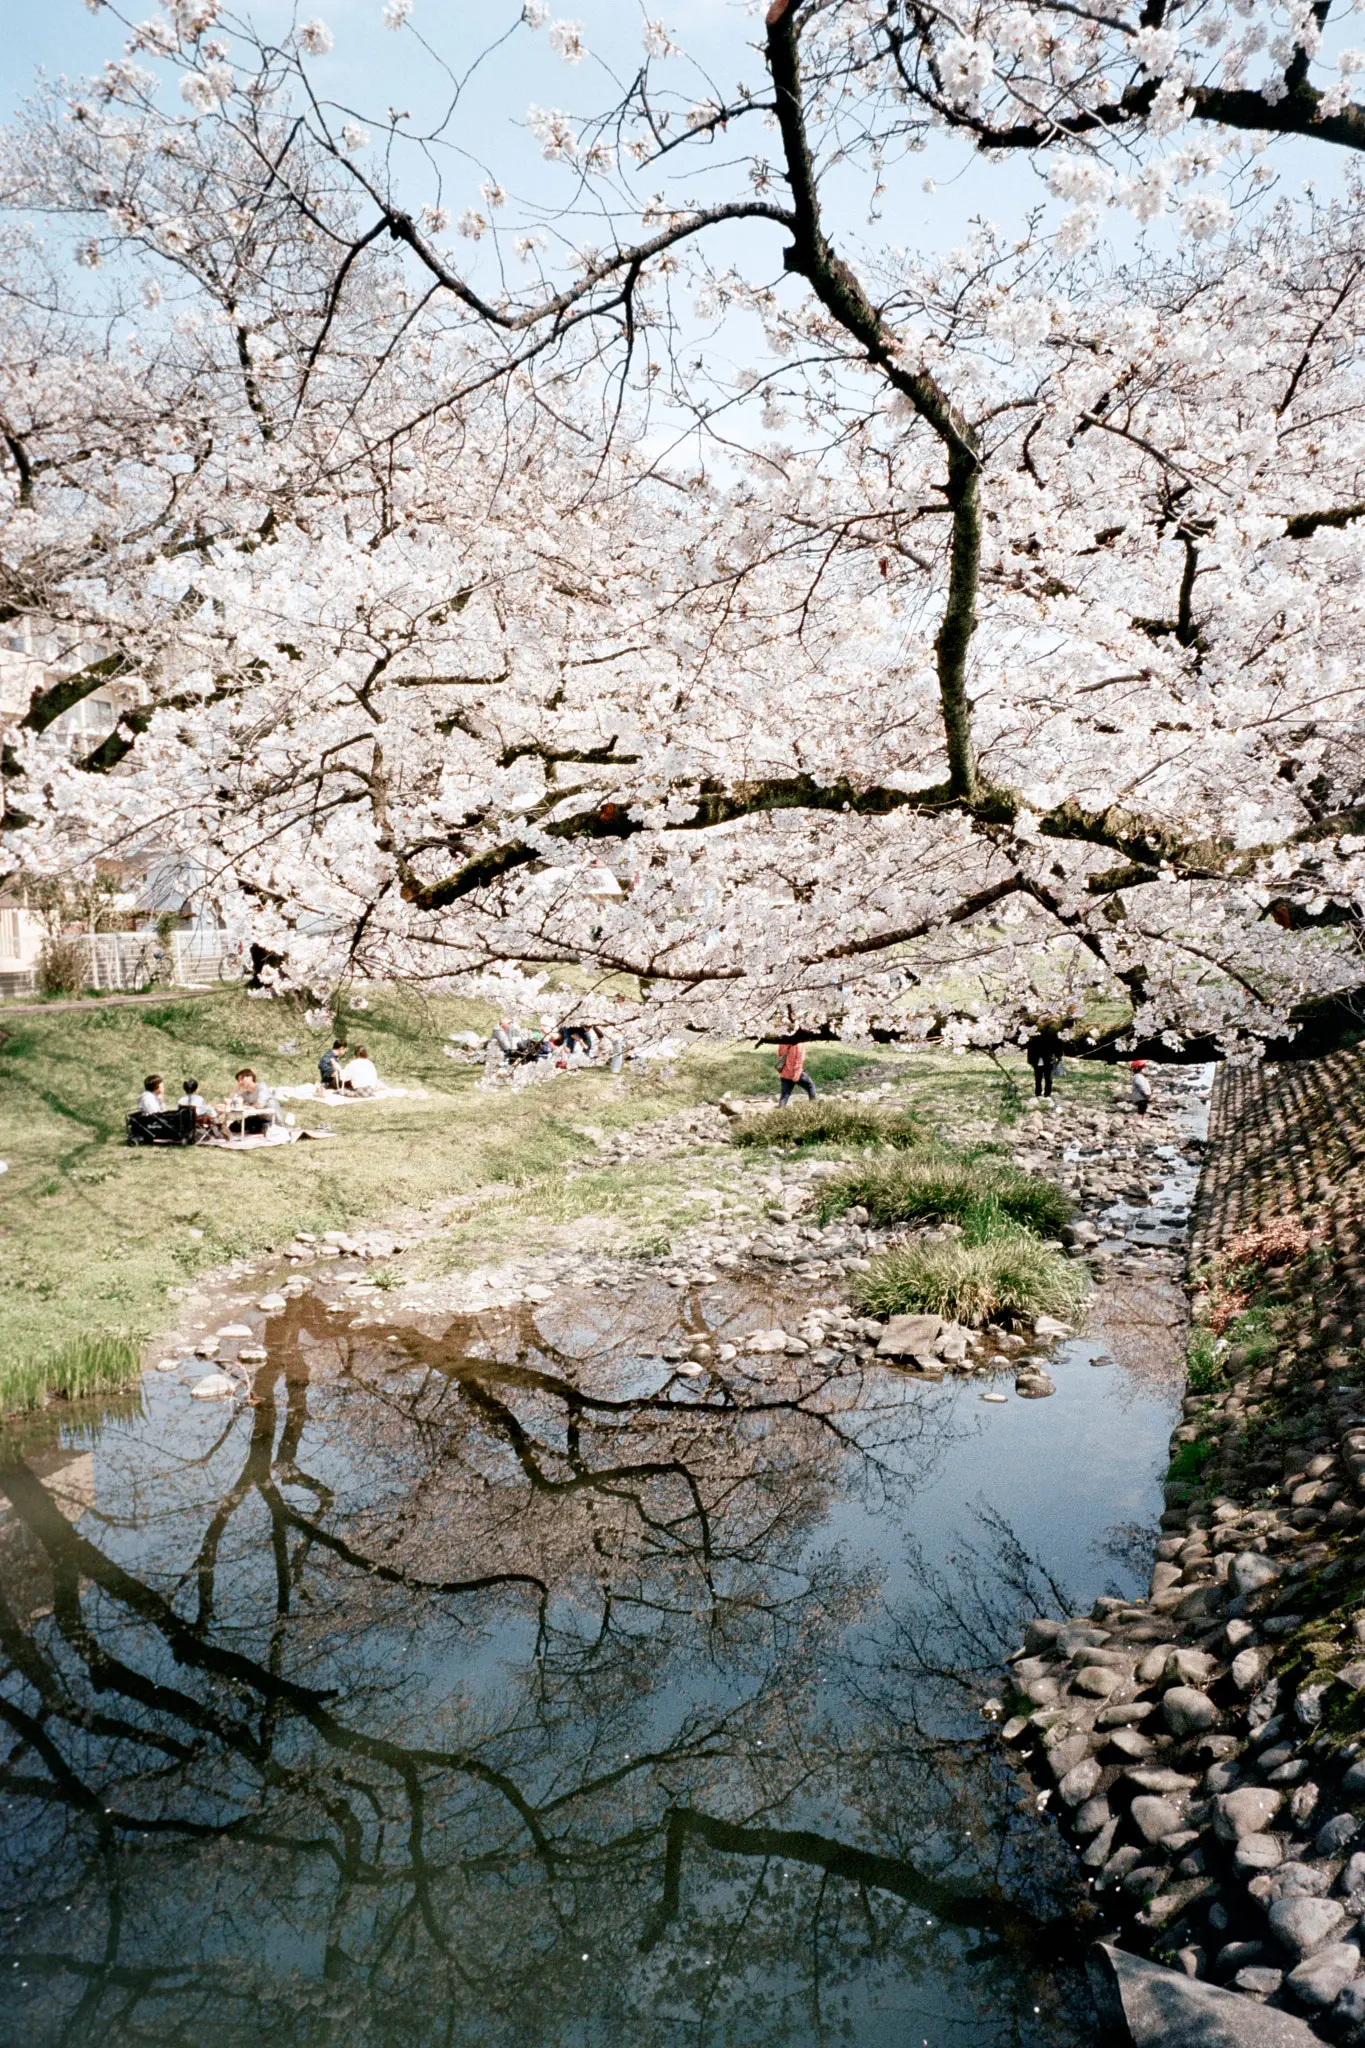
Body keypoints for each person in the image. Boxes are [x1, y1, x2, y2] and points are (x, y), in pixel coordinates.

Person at [229, 1067, 281, 1134]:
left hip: (273, 1120)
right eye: (238, 1081)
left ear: (250, 1077)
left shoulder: (261, 1086)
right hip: (259, 1119)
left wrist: (248, 1108)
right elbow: (231, 1100)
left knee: (254, 1129)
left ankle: (266, 1129)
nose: (240, 1082)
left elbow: (260, 1104)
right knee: (233, 1127)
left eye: (242, 1079)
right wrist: (237, 1087)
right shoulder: (246, 1094)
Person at [776, 1038, 816, 1108]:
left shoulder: (782, 1041)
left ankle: (779, 1114)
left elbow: (779, 1055)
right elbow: (800, 1059)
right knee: (811, 1086)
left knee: (784, 1096)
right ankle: (814, 1108)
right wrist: (797, 1074)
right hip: (796, 1073)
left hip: (785, 1073)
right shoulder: (799, 1042)